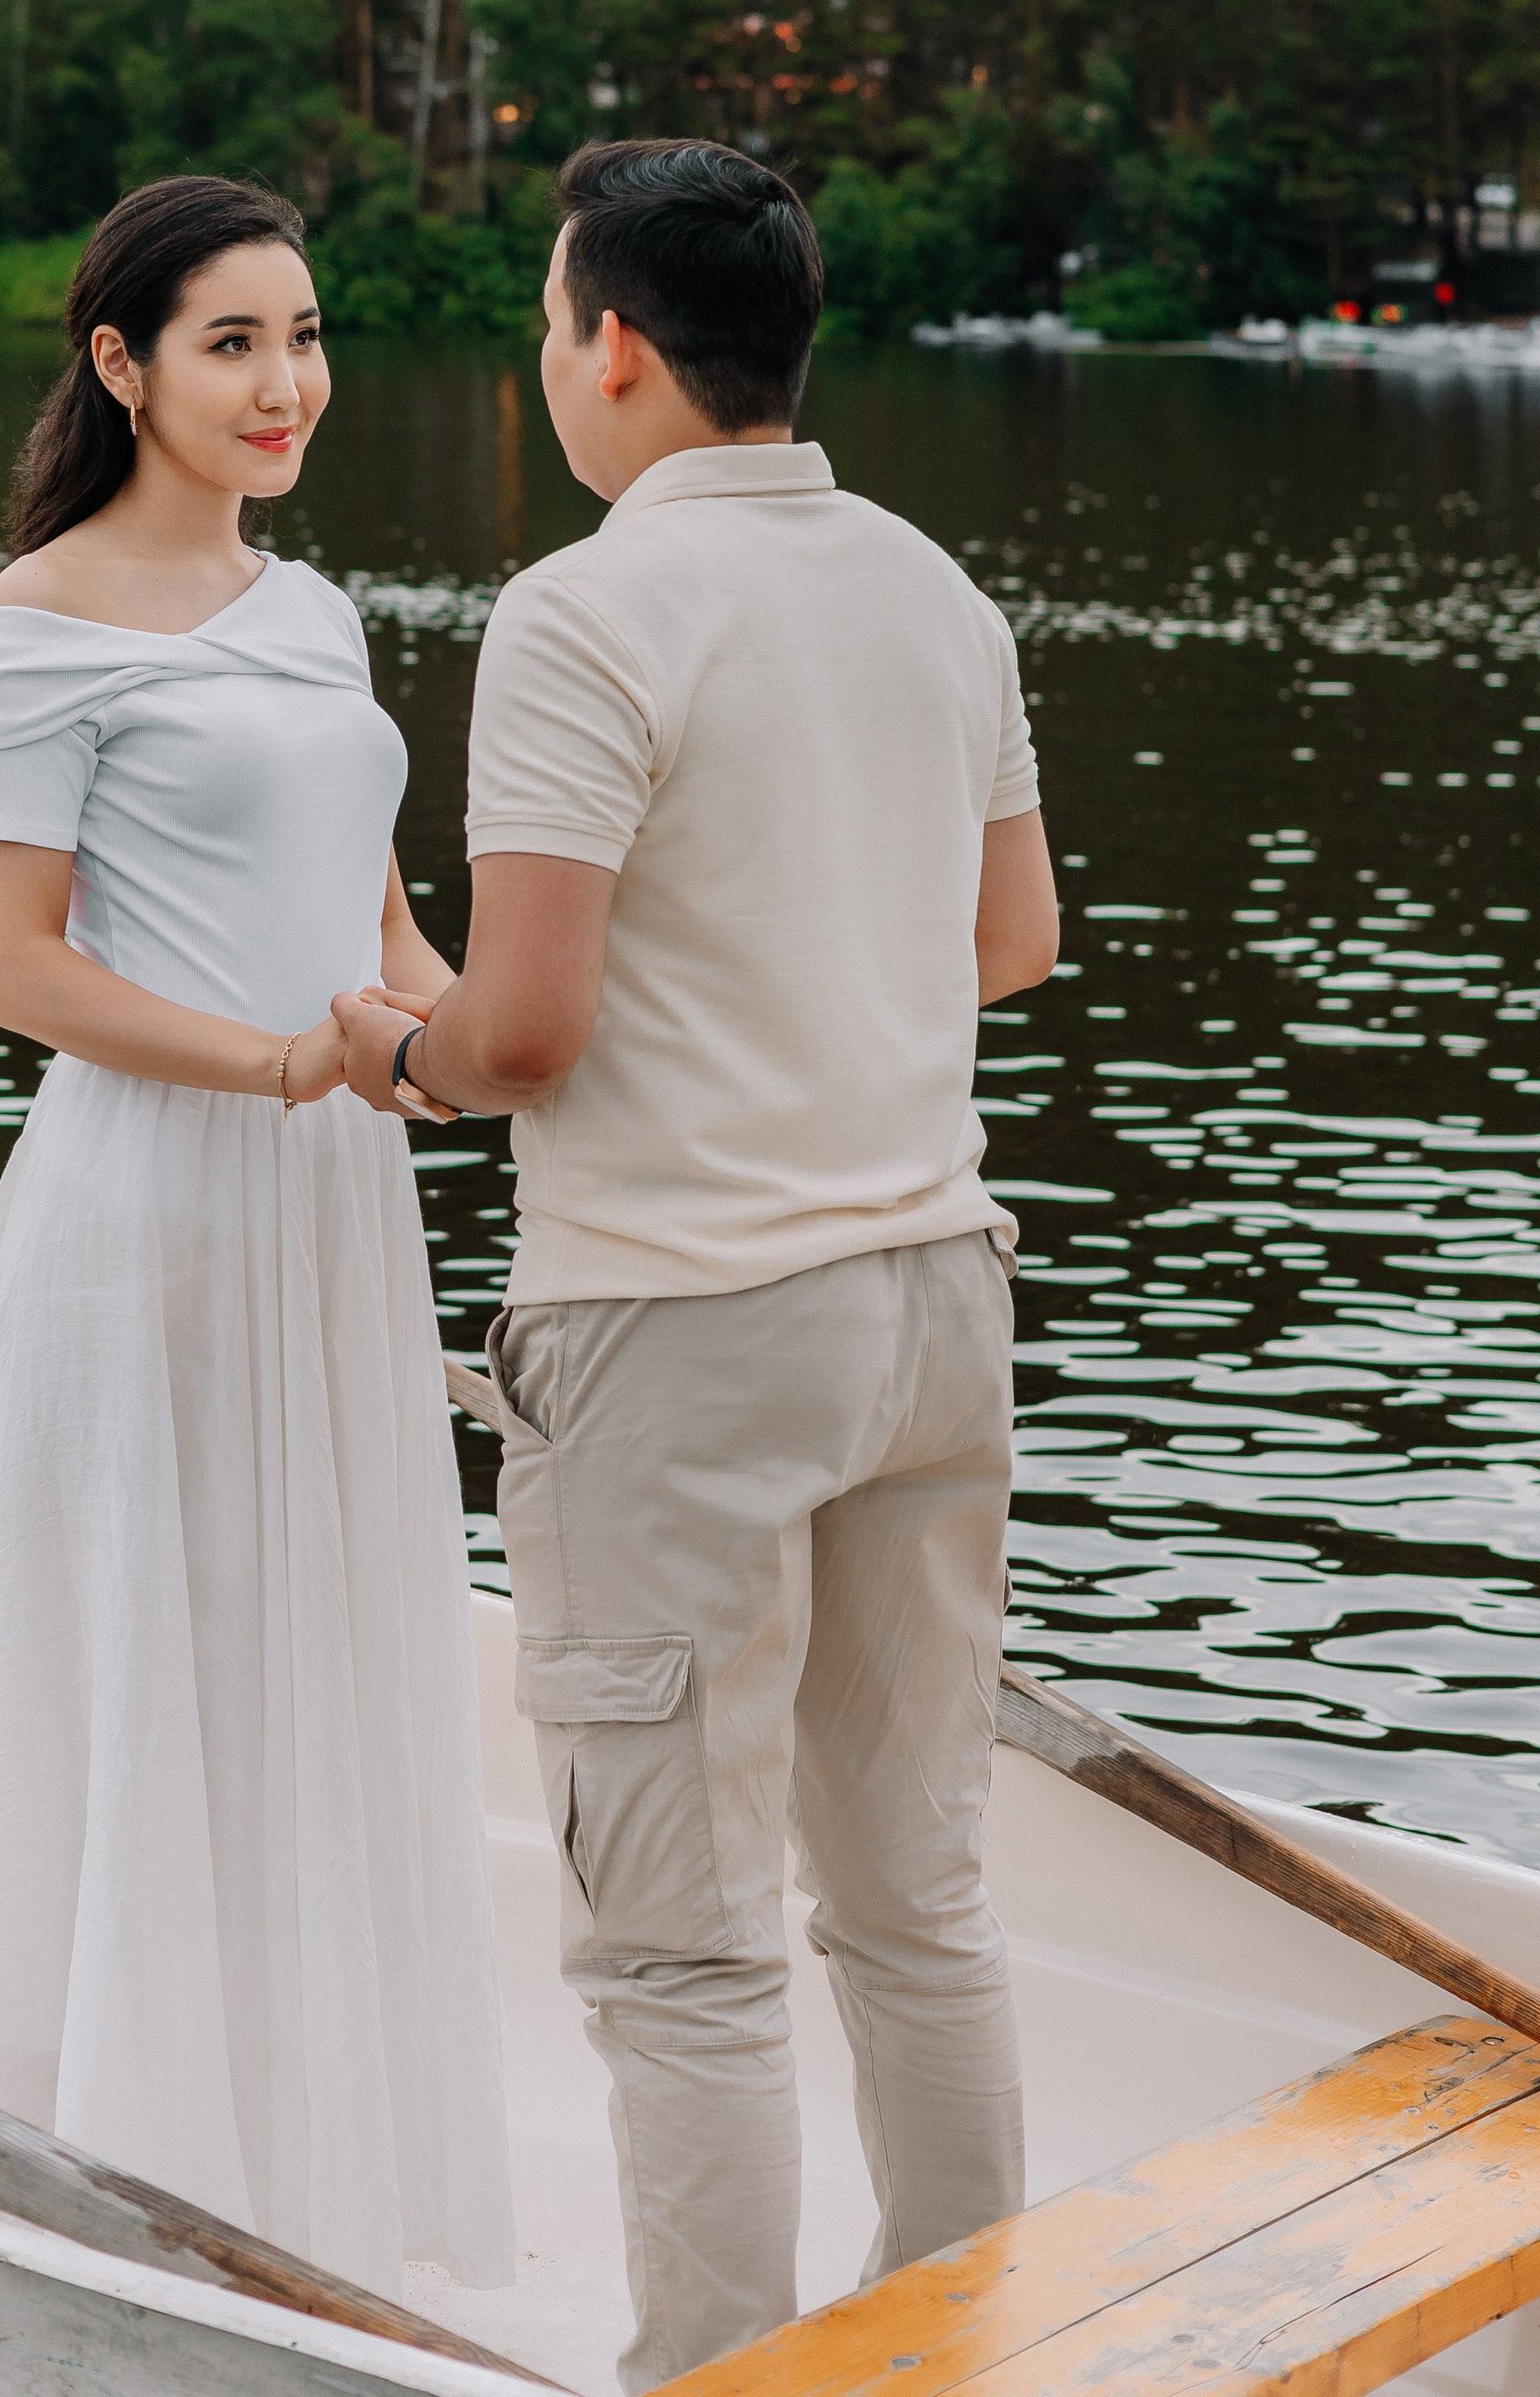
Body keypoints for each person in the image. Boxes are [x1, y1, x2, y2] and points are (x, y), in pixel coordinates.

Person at [336, 138, 1060, 2393]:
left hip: (681, 1338)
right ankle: (965, 2352)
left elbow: (522, 1031)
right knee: (916, 1899)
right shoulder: (934, 589)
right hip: (935, 1302)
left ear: (615, 348)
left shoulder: (583, 611)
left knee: (681, 1954)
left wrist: (395, 1047)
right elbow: (1012, 941)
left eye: (554, 327)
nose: (553, 366)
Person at [0, 174, 514, 2301]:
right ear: (119, 363)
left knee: (310, 1645)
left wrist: (484, 1039)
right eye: (232, 341)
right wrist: (266, 1068)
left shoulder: (314, 611)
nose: (285, 384)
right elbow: (9, 964)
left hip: (334, 1200)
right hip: (153, 1199)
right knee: (149, 1655)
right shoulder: (31, 625)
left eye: (307, 336)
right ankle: (106, 2161)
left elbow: (383, 927)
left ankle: (304, 2154)